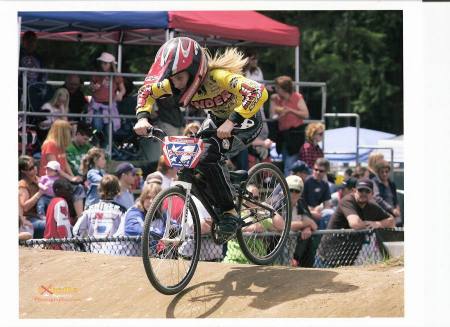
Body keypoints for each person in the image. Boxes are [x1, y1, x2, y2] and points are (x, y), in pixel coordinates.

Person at [134, 37, 268, 239]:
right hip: (216, 122)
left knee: (208, 155)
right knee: (194, 161)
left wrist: (231, 121)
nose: (175, 84)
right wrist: (142, 118)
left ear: (194, 70)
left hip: (245, 121)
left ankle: (229, 213)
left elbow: (258, 92)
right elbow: (146, 92)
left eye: (179, 78)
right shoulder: (174, 83)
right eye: (173, 78)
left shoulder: (218, 77)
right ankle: (225, 185)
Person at [315, 178, 395, 268]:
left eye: (367, 191)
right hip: (327, 256)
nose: (363, 193)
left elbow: (391, 221)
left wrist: (377, 224)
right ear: (354, 191)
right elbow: (355, 224)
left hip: (348, 258)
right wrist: (370, 224)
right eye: (360, 190)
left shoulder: (372, 206)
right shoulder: (348, 200)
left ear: (372, 194)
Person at [223, 184, 285, 264]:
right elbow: (228, 227)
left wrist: (270, 209)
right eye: (249, 196)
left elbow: (282, 226)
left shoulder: (261, 215)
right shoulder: (235, 213)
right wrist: (253, 227)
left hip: (256, 263)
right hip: (235, 261)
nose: (253, 200)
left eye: (256, 198)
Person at [39, 120, 85, 217]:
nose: (70, 134)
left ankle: (77, 217)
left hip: (60, 178)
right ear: (62, 131)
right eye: (69, 131)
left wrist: (73, 177)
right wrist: (70, 178)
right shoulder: (50, 144)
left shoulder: (61, 145)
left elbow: (65, 163)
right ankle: (80, 218)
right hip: (51, 180)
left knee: (81, 184)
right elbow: (55, 168)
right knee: (78, 188)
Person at [270, 75, 309, 176]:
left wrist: (290, 111)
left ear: (284, 89)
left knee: (289, 165)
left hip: (295, 136)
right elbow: (272, 116)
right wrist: (272, 102)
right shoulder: (277, 99)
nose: (276, 90)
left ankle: (289, 188)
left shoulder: (296, 97)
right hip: (283, 136)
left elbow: (305, 114)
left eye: (277, 88)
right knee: (287, 164)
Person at [73, 175, 126, 243]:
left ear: (99, 189)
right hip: (113, 251)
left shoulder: (90, 209)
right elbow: (124, 232)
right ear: (117, 190)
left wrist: (83, 245)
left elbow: (76, 231)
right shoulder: (121, 210)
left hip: (93, 250)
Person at [88, 52, 126, 146]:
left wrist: (120, 94)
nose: (103, 65)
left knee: (109, 129)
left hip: (110, 106)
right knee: (97, 126)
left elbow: (123, 89)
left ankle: (107, 149)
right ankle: (96, 142)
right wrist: (94, 87)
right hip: (97, 105)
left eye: (105, 63)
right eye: (102, 63)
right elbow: (91, 86)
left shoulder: (116, 76)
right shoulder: (96, 74)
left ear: (111, 65)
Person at [285, 175, 318, 267]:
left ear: (301, 193)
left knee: (308, 239)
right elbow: (282, 226)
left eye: (297, 191)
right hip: (277, 248)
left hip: (294, 248)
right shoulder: (277, 203)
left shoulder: (301, 203)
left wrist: (307, 228)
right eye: (291, 190)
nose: (293, 193)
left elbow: (314, 225)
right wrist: (305, 223)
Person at [303, 158, 334, 230]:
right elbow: (299, 202)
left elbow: (327, 204)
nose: (317, 172)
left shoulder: (325, 184)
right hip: (305, 212)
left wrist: (320, 208)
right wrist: (311, 211)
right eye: (315, 169)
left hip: (318, 212)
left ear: (326, 172)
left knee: (330, 214)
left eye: (321, 171)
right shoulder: (306, 181)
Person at [19, 155, 45, 238]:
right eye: (30, 168)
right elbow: (25, 207)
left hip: (40, 216)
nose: (35, 169)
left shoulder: (40, 179)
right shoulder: (23, 185)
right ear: (23, 171)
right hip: (28, 219)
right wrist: (40, 192)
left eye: (35, 165)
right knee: (49, 225)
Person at [371, 160, 401, 225]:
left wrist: (397, 208)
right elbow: (377, 198)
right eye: (382, 172)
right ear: (378, 172)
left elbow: (395, 198)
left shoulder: (391, 183)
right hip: (381, 217)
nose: (385, 174)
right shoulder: (374, 182)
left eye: (386, 172)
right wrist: (392, 209)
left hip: (394, 216)